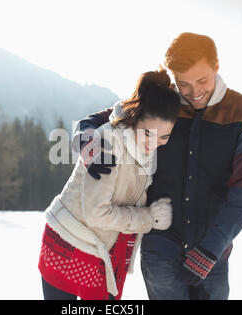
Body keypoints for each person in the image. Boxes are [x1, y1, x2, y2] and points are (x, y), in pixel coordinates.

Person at [73, 32, 242, 300]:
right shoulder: (163, 102)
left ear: (217, 67)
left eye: (203, 80)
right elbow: (109, 115)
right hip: (161, 248)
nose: (194, 93)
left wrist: (210, 250)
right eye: (183, 83)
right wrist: (86, 135)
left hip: (214, 254)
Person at [38, 68, 181, 300]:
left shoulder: (146, 147)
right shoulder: (107, 145)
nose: (155, 144)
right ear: (135, 118)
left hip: (99, 248)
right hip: (69, 242)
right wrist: (147, 218)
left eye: (164, 137)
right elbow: (97, 213)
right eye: (149, 134)